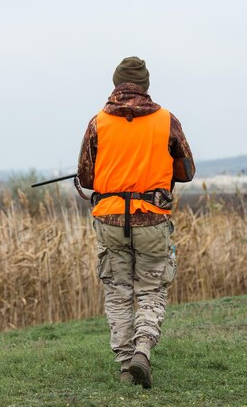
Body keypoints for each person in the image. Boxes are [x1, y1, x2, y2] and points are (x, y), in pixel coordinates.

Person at [76, 56, 195, 389]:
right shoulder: (166, 120)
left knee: (117, 290)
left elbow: (86, 177)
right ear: (146, 86)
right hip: (152, 219)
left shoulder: (98, 122)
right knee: (151, 288)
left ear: (116, 84)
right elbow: (186, 171)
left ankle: (127, 364)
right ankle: (143, 348)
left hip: (110, 220)